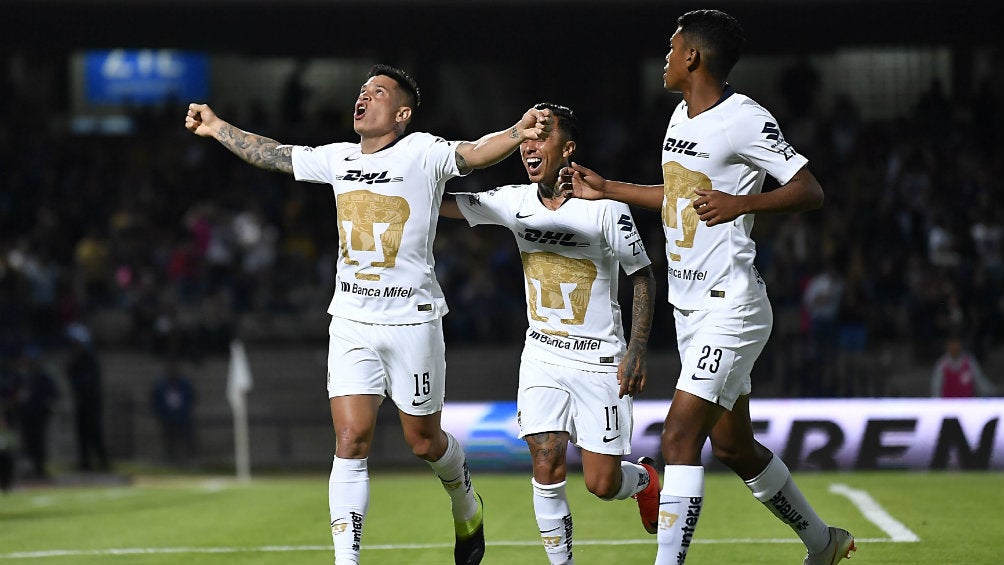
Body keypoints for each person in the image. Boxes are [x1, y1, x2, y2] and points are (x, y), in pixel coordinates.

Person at [185, 64, 552, 565]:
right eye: (362, 90)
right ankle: (347, 559)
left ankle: (466, 501)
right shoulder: (338, 158)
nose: (363, 97)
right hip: (351, 321)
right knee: (350, 439)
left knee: (424, 442)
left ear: (401, 114)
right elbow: (275, 153)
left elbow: (473, 153)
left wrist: (518, 131)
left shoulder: (421, 151)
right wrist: (216, 127)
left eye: (377, 92)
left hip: (412, 320)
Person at [562, 10, 855, 565]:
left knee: (678, 438)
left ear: (692, 56)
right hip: (690, 309)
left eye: (672, 48)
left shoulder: (744, 118)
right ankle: (824, 542)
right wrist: (609, 189)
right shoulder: (680, 116)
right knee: (733, 446)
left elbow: (809, 189)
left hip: (732, 306)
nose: (666, 57)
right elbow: (677, 195)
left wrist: (742, 202)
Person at [442, 103, 661, 564]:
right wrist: (402, 185)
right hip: (542, 355)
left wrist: (637, 348)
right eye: (528, 138)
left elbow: (642, 276)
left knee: (602, 483)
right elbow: (446, 206)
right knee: (545, 461)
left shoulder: (606, 208)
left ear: (568, 148)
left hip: (600, 358)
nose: (531, 146)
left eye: (542, 138)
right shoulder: (512, 201)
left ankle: (644, 479)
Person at [64, 323, 110, 471]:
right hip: (81, 400)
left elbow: (91, 379)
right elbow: (69, 373)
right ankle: (85, 462)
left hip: (91, 400)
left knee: (95, 431)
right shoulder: (75, 357)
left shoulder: (90, 356)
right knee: (82, 432)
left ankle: (103, 462)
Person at [150, 359, 197, 463]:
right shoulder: (160, 385)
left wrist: (184, 411)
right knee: (169, 440)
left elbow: (191, 397)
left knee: (186, 439)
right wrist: (160, 413)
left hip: (182, 417)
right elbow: (155, 400)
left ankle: (188, 458)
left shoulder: (185, 384)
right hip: (167, 417)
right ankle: (171, 458)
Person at [931, 335, 999, 398]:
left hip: (967, 403)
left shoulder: (969, 361)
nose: (954, 347)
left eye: (956, 344)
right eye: (952, 345)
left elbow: (979, 380)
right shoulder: (942, 364)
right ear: (947, 346)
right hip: (948, 404)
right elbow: (936, 387)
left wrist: (994, 393)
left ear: (961, 345)